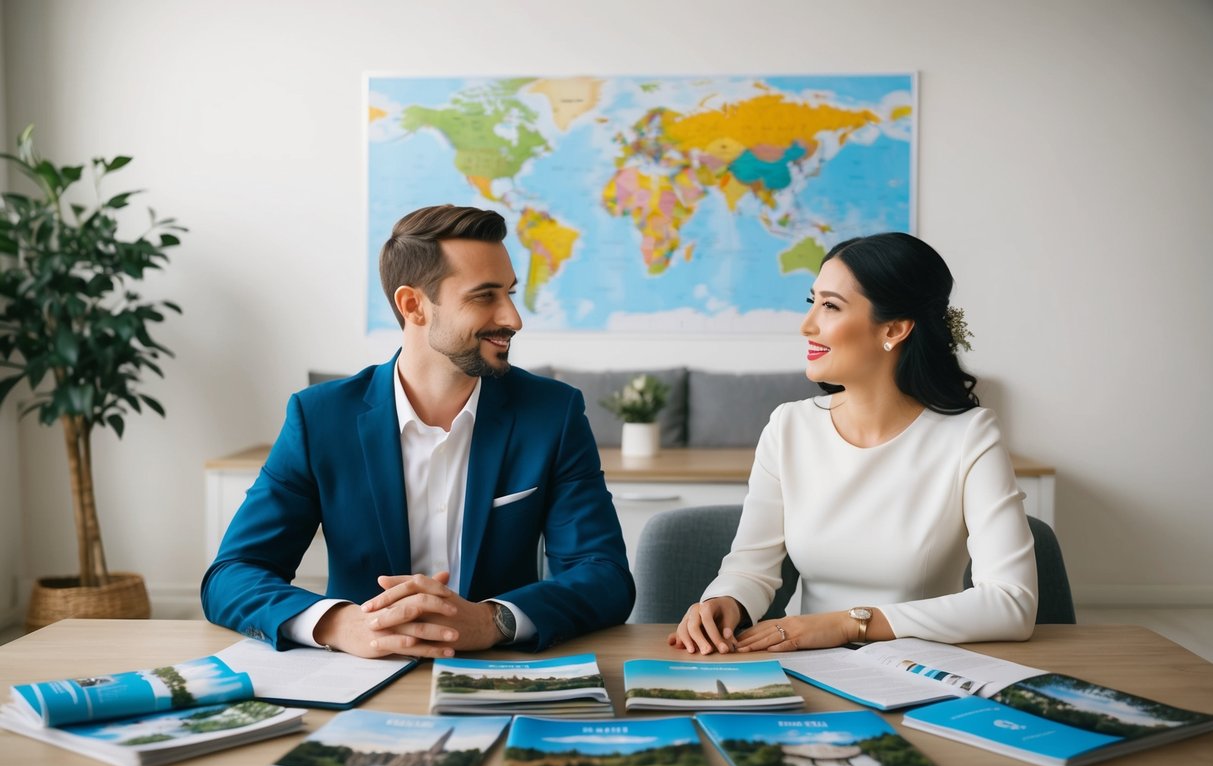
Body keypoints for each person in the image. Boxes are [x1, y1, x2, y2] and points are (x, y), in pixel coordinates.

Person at [202, 205, 634, 658]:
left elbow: (603, 575)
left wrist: (492, 620)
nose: (513, 317)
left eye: (509, 292)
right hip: (356, 679)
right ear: (414, 306)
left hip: (501, 676)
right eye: (485, 296)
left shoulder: (552, 412)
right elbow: (232, 574)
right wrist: (340, 623)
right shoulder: (320, 418)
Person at [671, 232, 1038, 655]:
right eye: (812, 302)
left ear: (895, 329)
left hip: (922, 670)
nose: (807, 324)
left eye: (830, 306)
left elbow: (1012, 603)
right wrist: (726, 600)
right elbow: (752, 567)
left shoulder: (970, 436)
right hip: (810, 666)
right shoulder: (789, 426)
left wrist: (849, 625)